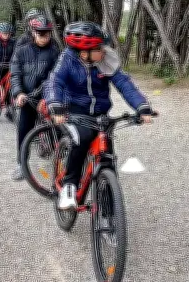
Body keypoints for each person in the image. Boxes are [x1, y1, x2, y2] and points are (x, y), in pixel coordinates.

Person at [44, 21, 155, 210]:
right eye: (98, 48)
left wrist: (142, 107)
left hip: (100, 113)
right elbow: (55, 82)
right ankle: (69, 187)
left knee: (107, 153)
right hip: (74, 112)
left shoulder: (103, 60)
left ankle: (108, 200)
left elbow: (124, 84)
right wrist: (55, 104)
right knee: (82, 138)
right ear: (83, 51)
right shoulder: (67, 59)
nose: (103, 51)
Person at [9, 15, 61, 180]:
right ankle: (21, 164)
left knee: (60, 125)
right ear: (33, 32)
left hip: (48, 96)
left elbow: (55, 77)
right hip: (27, 97)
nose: (44, 37)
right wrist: (19, 93)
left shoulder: (55, 52)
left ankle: (62, 156)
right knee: (24, 129)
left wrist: (45, 97)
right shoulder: (21, 51)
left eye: (47, 33)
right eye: (40, 33)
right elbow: (15, 74)